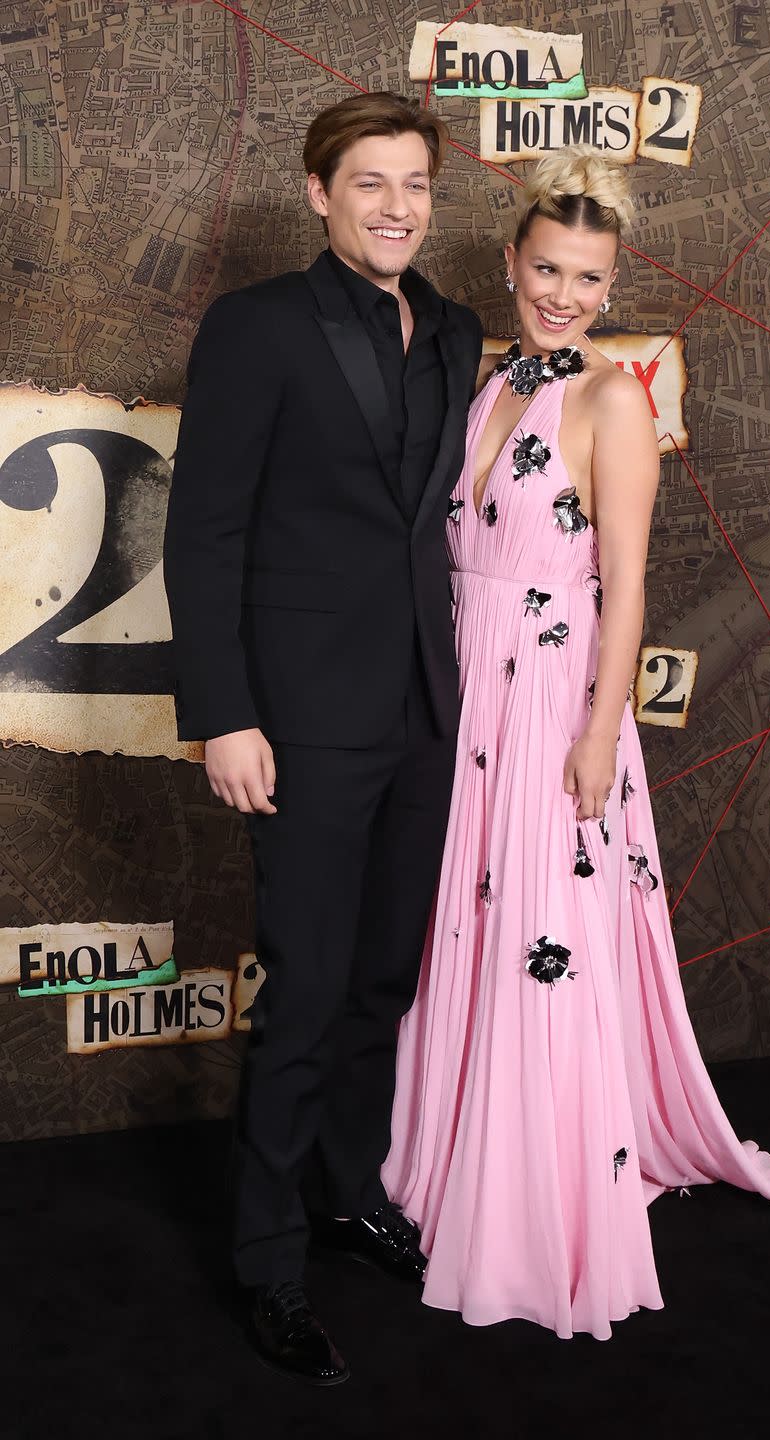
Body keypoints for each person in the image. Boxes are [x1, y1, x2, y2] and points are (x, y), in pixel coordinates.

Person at [382, 144, 770, 1342]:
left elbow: (627, 590)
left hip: (550, 701)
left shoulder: (612, 398)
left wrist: (600, 729)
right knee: (467, 924)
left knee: (542, 932)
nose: (566, 294)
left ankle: (537, 1205)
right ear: (512, 260)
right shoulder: (487, 385)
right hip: (466, 695)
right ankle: (451, 1165)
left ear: (611, 279)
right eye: (548, 269)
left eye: (589, 277)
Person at [162, 94, 483, 1384]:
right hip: (296, 723)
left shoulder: (458, 330)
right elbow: (204, 532)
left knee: (379, 986)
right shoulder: (253, 328)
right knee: (300, 994)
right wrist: (224, 713)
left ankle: (349, 1197)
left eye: (414, 184)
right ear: (318, 194)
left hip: (424, 712)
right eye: (369, 184)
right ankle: (269, 1264)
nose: (396, 206)